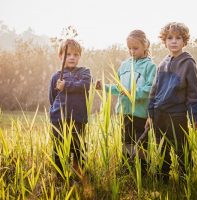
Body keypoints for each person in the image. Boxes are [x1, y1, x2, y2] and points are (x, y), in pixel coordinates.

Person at [147, 22, 197, 182]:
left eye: (178, 38)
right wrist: (150, 113)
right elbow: (154, 89)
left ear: (184, 41)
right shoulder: (162, 63)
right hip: (159, 113)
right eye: (170, 38)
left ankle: (185, 179)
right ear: (164, 41)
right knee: (161, 147)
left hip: (177, 114)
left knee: (181, 148)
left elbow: (193, 91)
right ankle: (163, 177)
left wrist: (194, 115)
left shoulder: (188, 63)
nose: (174, 41)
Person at [97, 30, 156, 164]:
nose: (132, 51)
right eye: (129, 48)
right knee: (126, 143)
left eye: (135, 48)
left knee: (141, 145)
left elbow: (150, 89)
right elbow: (119, 89)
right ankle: (126, 169)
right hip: (124, 112)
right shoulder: (124, 65)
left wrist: (131, 92)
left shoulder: (150, 66)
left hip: (141, 114)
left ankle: (142, 172)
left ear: (145, 45)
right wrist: (103, 87)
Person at [49, 39, 91, 177]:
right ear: (61, 56)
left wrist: (66, 85)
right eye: (68, 54)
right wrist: (56, 111)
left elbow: (85, 85)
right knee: (59, 148)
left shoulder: (84, 72)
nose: (72, 57)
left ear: (79, 56)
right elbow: (52, 97)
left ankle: (79, 176)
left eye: (75, 54)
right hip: (59, 119)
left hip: (78, 118)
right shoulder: (56, 76)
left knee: (78, 148)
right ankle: (60, 176)